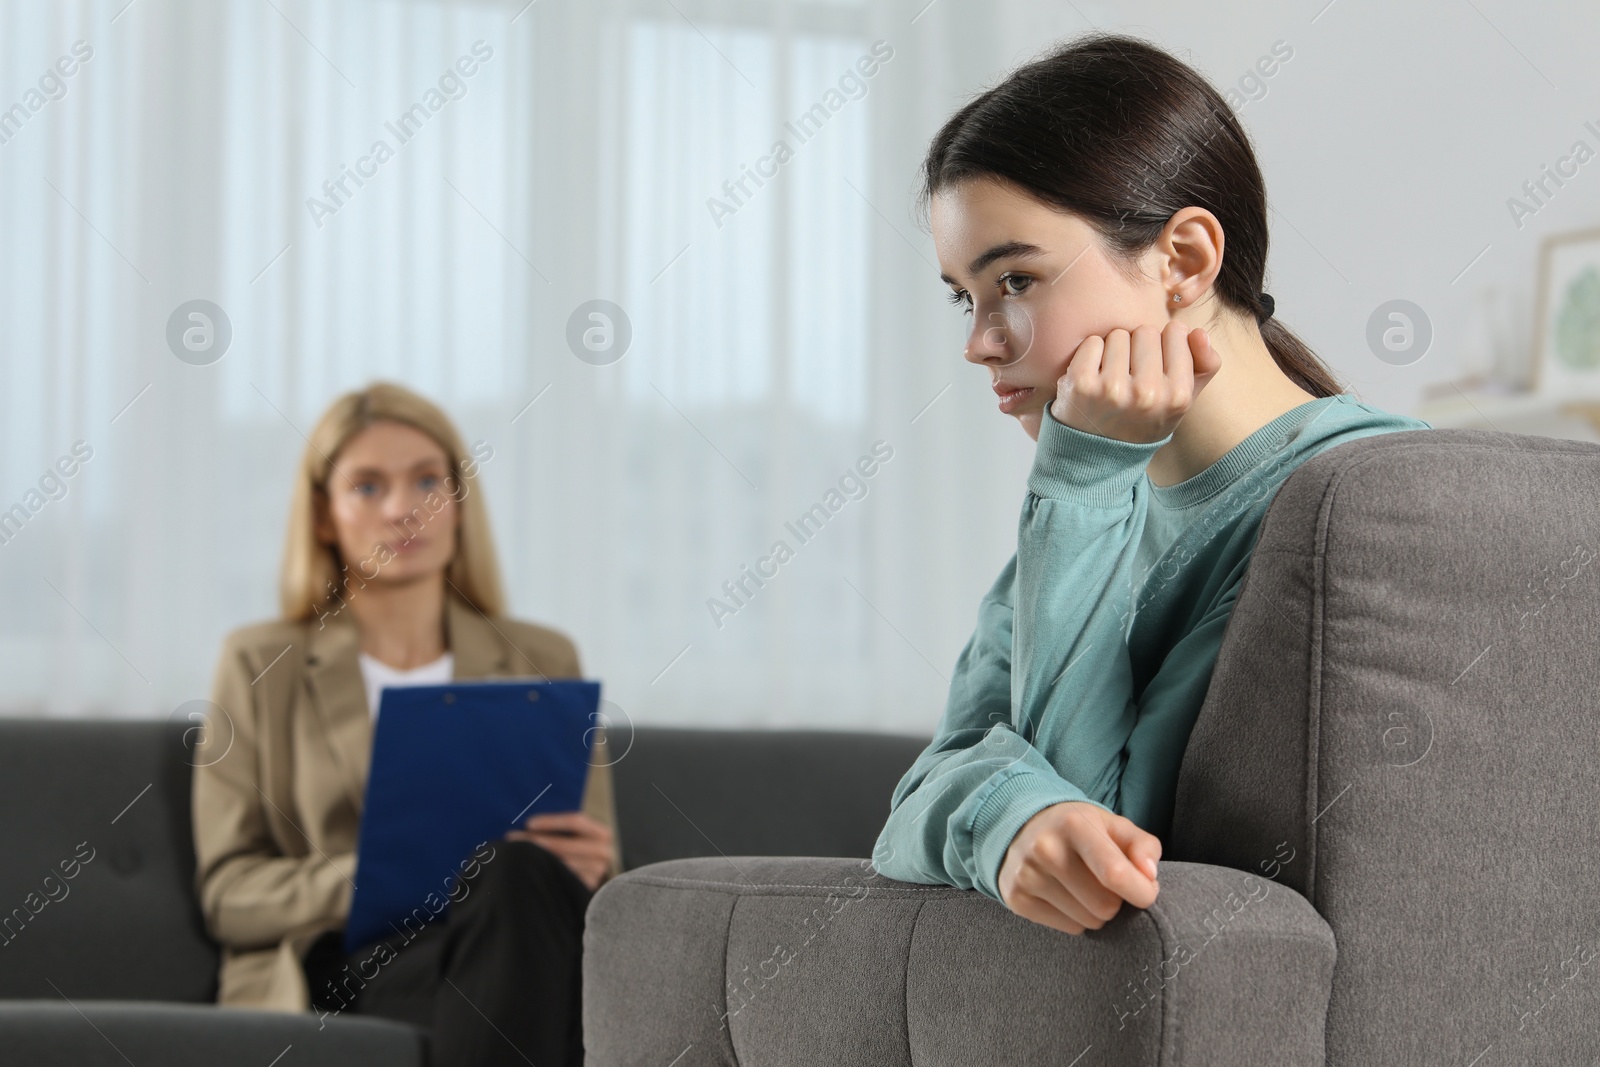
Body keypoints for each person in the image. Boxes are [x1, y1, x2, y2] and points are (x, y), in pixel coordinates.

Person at [870, 33, 1431, 937]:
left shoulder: (1354, 511)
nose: (978, 342)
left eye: (1015, 279)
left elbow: (1105, 841)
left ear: (1184, 260)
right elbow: (914, 803)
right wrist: (1010, 816)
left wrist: (1087, 476)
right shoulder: (1067, 521)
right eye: (962, 297)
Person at [191, 381, 617, 1067]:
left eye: (427, 480)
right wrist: (379, 876)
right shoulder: (258, 661)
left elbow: (596, 866)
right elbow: (229, 894)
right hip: (354, 961)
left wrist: (595, 869)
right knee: (533, 961)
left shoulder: (541, 656)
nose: (402, 508)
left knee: (516, 882)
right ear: (325, 516)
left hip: (516, 934)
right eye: (367, 486)